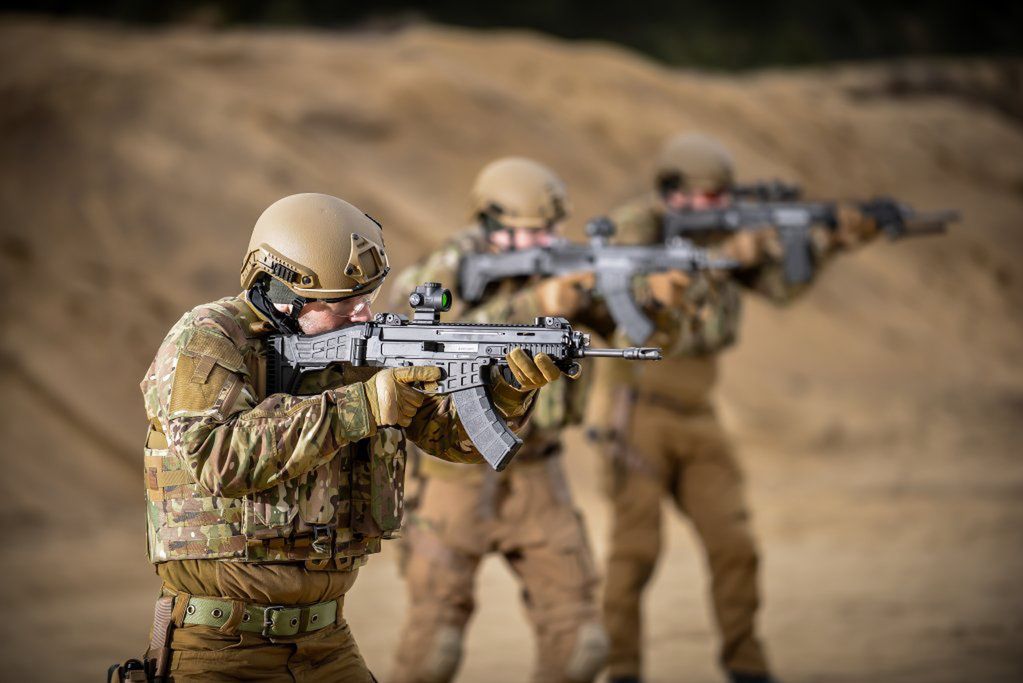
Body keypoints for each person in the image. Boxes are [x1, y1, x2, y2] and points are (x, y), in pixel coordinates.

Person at [138, 192, 567, 681]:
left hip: (326, 641)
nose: (363, 315)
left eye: (367, 298)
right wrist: (362, 405)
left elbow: (457, 440)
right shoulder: (207, 339)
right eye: (343, 304)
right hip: (220, 646)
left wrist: (509, 388)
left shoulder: (360, 347)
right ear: (282, 293)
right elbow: (217, 458)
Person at [589, 133, 882, 683]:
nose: (717, 208)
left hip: (700, 414)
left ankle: (747, 665)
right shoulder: (636, 227)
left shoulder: (729, 233)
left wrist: (832, 241)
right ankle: (622, 670)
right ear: (672, 193)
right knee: (635, 555)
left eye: (722, 197)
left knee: (735, 545)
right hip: (638, 412)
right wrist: (725, 257)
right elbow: (635, 295)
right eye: (705, 197)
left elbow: (782, 288)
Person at [389, 158, 621, 683]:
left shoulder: (561, 268)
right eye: (532, 231)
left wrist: (643, 295)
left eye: (551, 229)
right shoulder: (447, 267)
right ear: (491, 223)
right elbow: (415, 334)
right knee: (434, 651)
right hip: (455, 477)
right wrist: (532, 304)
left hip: (537, 471)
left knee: (581, 645)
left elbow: (627, 328)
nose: (547, 240)